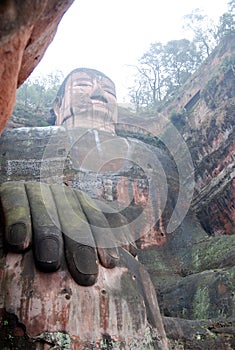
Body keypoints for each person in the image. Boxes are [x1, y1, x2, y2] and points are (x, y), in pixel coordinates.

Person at [0, 68, 169, 348]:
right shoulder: (20, 139)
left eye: (108, 90)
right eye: (82, 84)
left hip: (140, 273)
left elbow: (178, 247)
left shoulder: (149, 156)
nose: (97, 93)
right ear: (58, 105)